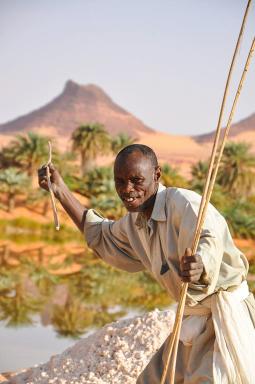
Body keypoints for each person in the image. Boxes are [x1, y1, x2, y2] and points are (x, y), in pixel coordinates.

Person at [38, 144, 255, 384]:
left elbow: (208, 237)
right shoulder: (135, 222)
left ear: (157, 175)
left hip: (224, 320)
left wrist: (200, 265)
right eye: (119, 181)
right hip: (193, 320)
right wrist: (61, 191)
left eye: (136, 180)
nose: (127, 190)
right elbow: (101, 235)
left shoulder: (183, 203)